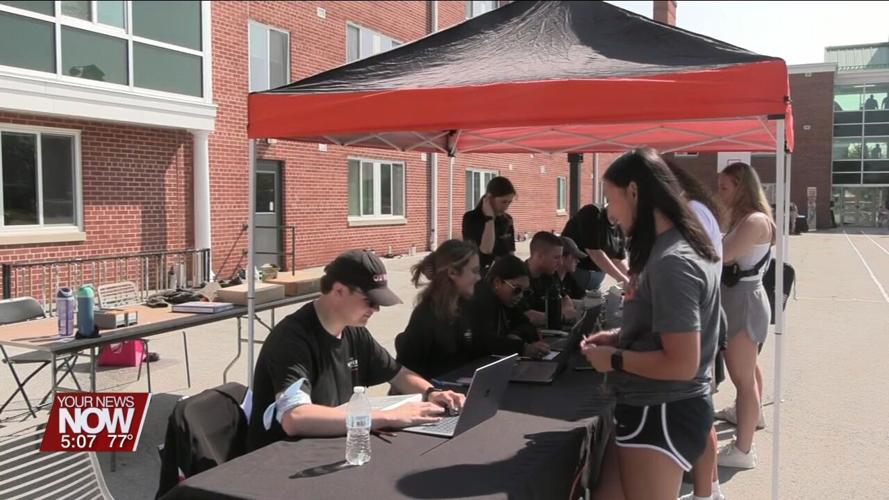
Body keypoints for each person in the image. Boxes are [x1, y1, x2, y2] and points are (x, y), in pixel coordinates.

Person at [583, 148, 721, 500]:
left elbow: (681, 362)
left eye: (611, 201)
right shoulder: (673, 248)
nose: (611, 215)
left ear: (634, 191)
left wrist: (614, 358)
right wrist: (619, 336)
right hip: (655, 409)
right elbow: (669, 331)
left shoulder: (673, 261)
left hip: (660, 412)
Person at [247, 250, 466, 451]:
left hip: (327, 445)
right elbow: (295, 417)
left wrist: (432, 393)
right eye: (369, 301)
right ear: (339, 290)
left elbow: (397, 374)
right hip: (280, 456)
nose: (376, 309)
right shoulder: (291, 339)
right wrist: (387, 417)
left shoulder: (354, 331)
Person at [667, 161, 726, 500]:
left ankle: (706, 493)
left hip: (695, 321)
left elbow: (688, 273)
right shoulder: (695, 210)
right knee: (698, 409)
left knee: (696, 412)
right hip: (700, 318)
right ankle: (710, 489)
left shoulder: (691, 213)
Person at [715, 162, 777, 469]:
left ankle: (743, 449)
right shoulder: (747, 218)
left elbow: (722, 255)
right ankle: (752, 415)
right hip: (739, 298)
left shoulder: (753, 221)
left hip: (742, 300)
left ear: (741, 187)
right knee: (748, 369)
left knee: (742, 379)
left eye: (724, 187)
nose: (720, 192)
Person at [395, 240, 482, 380]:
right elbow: (404, 375)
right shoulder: (425, 316)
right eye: (474, 271)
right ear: (453, 272)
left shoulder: (466, 306)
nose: (479, 277)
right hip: (433, 396)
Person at [467, 255, 551, 359]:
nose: (520, 296)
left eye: (525, 292)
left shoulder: (508, 300)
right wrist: (522, 348)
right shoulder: (482, 300)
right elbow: (485, 340)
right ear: (497, 282)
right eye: (517, 290)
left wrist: (516, 334)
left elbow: (528, 326)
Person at [561, 203, 630, 292]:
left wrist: (630, 277)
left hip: (596, 278)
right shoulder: (592, 213)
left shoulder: (619, 228)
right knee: (577, 302)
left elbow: (618, 259)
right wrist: (622, 279)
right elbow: (594, 251)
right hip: (576, 273)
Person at [462, 176, 517, 274]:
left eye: (509, 202)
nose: (506, 206)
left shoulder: (506, 219)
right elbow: (486, 250)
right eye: (503, 202)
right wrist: (490, 219)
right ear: (489, 198)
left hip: (502, 274)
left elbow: (510, 251)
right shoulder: (471, 218)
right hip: (479, 273)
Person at [523, 231, 576, 327]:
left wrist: (563, 312)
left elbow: (565, 299)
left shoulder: (550, 273)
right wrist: (561, 316)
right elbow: (527, 315)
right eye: (556, 257)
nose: (560, 263)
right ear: (539, 256)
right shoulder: (519, 276)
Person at [558, 236, 587, 300]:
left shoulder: (568, 277)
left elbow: (582, 295)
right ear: (562, 257)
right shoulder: (547, 283)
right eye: (574, 257)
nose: (578, 261)